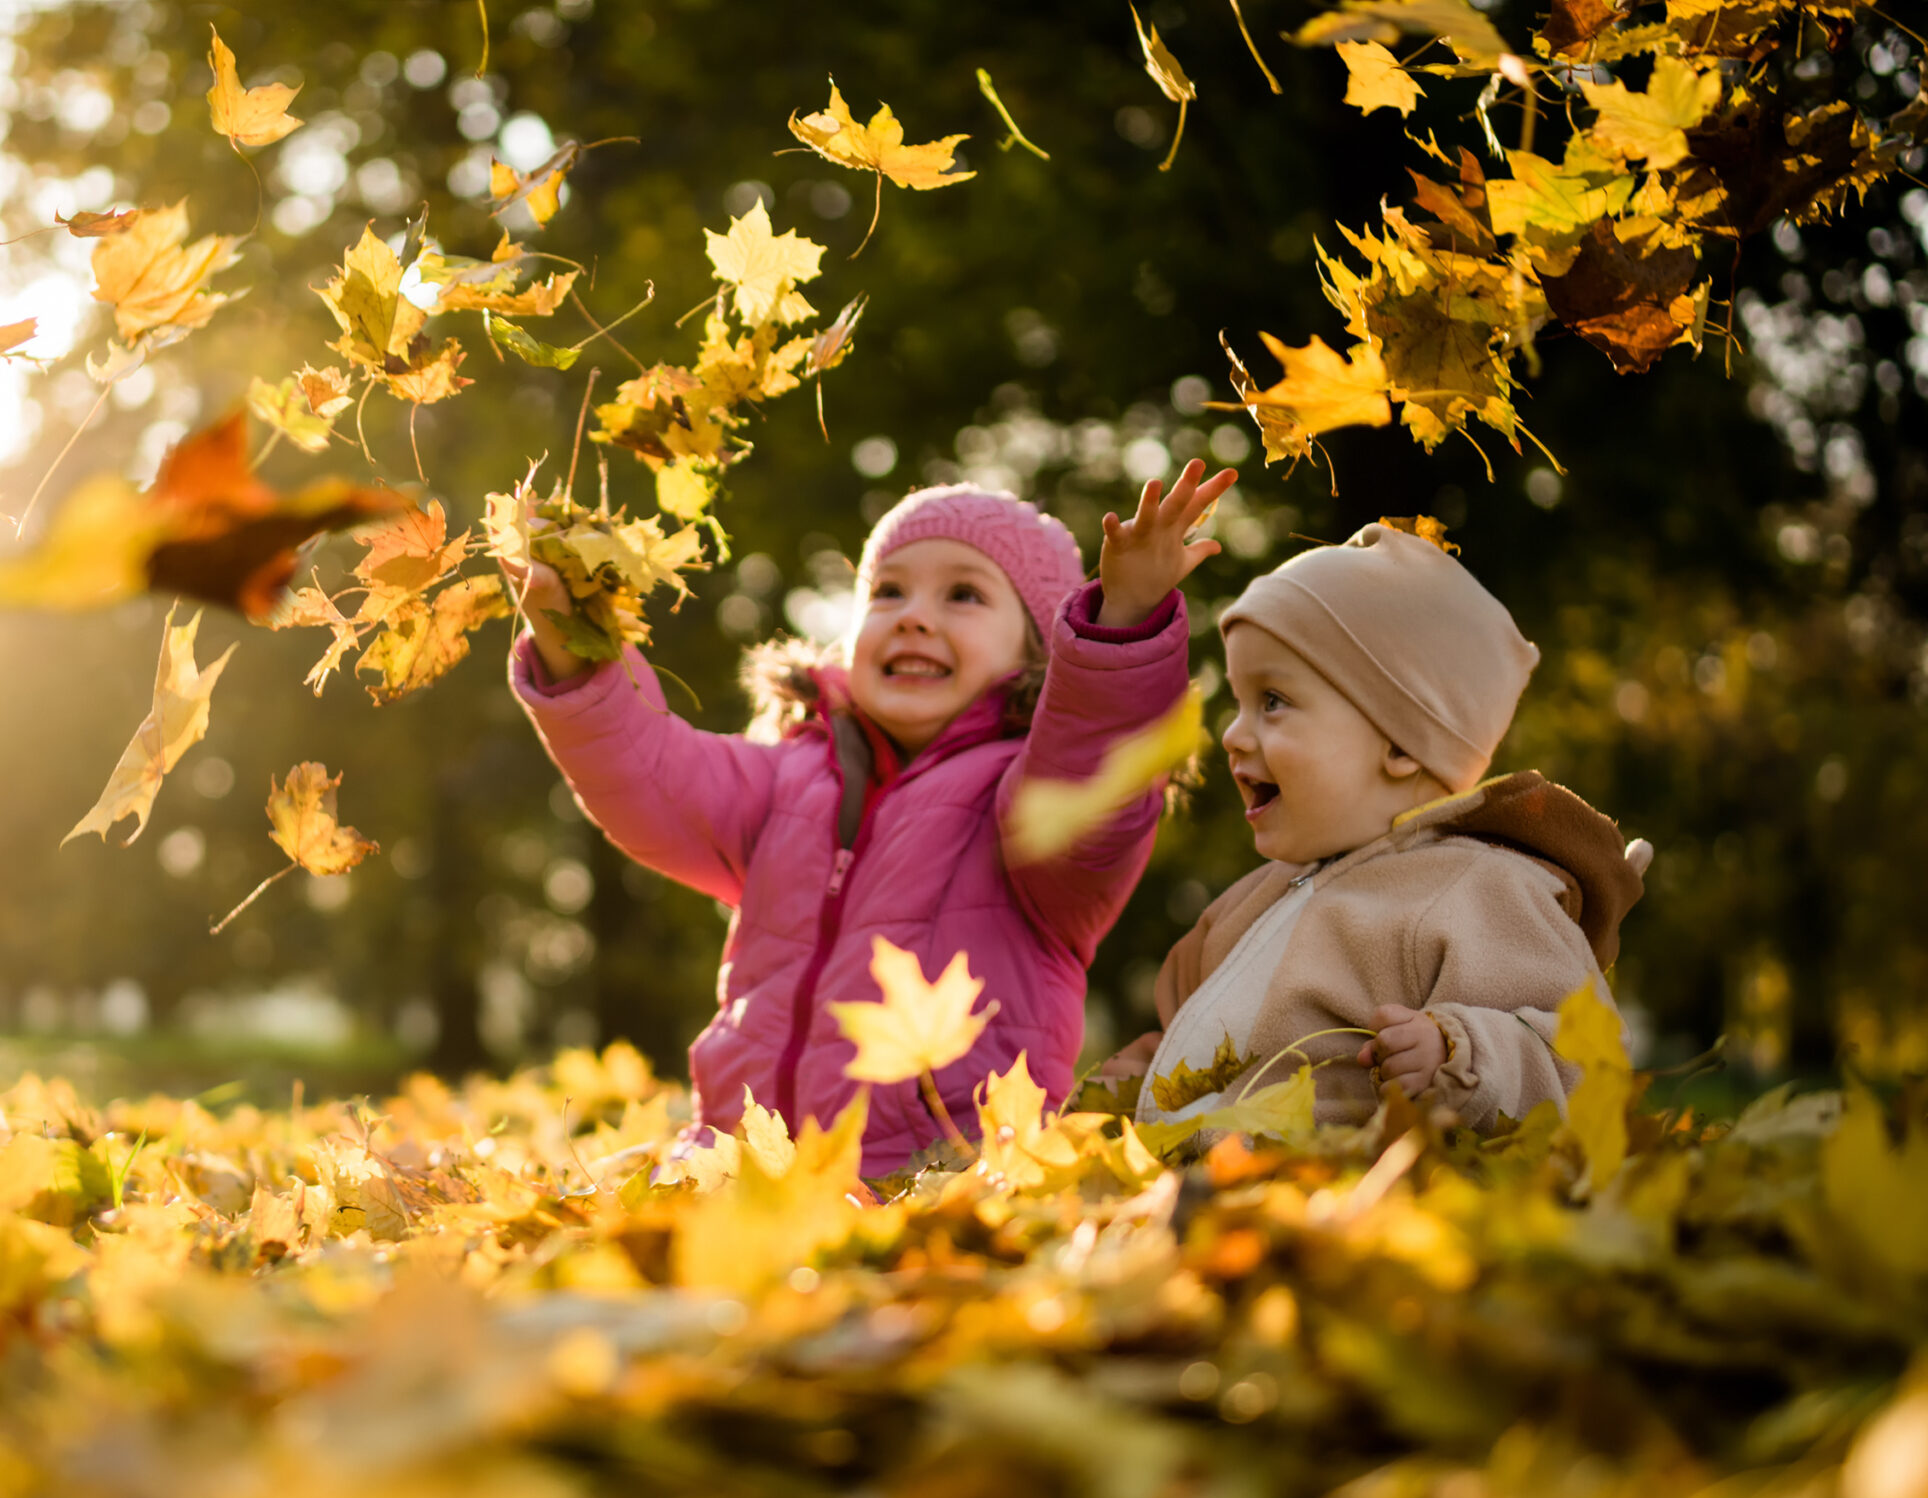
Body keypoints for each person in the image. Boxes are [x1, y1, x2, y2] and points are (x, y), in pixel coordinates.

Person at [503, 464, 1234, 1177]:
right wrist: (573, 640)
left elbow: (1093, 766)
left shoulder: (1027, 801)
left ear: (1037, 651)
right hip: (740, 1166)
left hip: (934, 1178)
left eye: (963, 596)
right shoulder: (786, 776)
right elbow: (648, 772)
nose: (915, 615)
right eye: (888, 592)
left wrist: (1123, 623)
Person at [1095, 522, 1652, 1132]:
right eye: (1238, 702)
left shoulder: (1479, 891)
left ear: (1400, 745)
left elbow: (1584, 1058)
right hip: (1208, 1206)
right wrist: (1120, 1090)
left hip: (1339, 1207)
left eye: (1273, 700)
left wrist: (1459, 1054)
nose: (1232, 733)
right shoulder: (1246, 906)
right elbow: (1188, 1044)